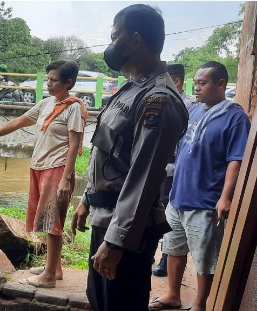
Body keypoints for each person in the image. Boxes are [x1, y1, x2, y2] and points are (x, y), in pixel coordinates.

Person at [70, 4, 188, 311]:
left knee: (118, 305)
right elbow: (107, 153)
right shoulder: (131, 88)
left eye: (115, 35)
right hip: (106, 217)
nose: (111, 44)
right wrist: (86, 199)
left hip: (126, 232)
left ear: (135, 40)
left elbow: (144, 176)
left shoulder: (157, 99)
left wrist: (117, 241)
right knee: (100, 301)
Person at [0, 60, 88, 288]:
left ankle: (47, 278)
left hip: (56, 170)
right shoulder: (46, 104)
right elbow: (18, 121)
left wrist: (66, 179)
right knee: (46, 220)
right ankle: (55, 269)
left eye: (53, 80)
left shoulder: (73, 108)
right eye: (48, 79)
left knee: (52, 222)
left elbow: (74, 146)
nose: (49, 84)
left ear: (68, 82)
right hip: (40, 167)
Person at [148, 61, 250, 311]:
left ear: (221, 84)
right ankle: (173, 294)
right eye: (195, 83)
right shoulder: (193, 111)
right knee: (173, 248)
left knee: (205, 257)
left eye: (202, 83)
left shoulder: (234, 117)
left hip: (205, 201)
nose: (197, 88)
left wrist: (225, 197)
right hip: (179, 196)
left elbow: (235, 160)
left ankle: (200, 304)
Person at [151, 63, 195, 278]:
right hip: (161, 168)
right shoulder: (169, 102)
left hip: (173, 170)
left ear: (175, 81)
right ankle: (155, 255)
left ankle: (165, 259)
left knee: (167, 212)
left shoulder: (187, 107)